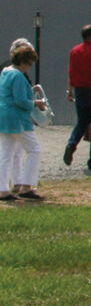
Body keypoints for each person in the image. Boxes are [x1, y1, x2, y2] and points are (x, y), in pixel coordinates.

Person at [0, 41, 49, 202]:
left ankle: (3, 190)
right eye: (29, 63)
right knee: (34, 149)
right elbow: (21, 100)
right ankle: (27, 186)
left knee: (6, 154)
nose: (29, 67)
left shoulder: (6, 72)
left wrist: (29, 91)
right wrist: (36, 102)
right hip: (17, 119)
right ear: (23, 61)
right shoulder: (18, 76)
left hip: (4, 117)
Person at [63, 24, 91, 171]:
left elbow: (71, 72)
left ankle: (71, 144)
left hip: (80, 90)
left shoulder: (74, 51)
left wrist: (70, 90)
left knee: (82, 122)